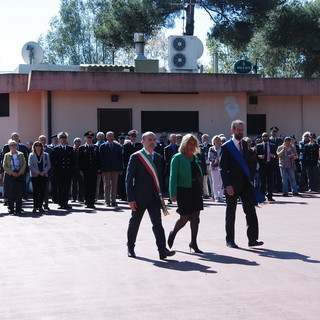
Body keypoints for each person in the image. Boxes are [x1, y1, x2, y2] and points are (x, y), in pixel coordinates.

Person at [126, 131, 175, 260]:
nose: (152, 142)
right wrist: (130, 199)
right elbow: (129, 179)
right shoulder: (136, 157)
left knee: (157, 224)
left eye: (154, 140)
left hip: (154, 197)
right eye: (149, 140)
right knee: (135, 223)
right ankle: (130, 246)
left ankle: (162, 249)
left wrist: (162, 195)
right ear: (143, 142)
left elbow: (159, 178)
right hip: (139, 197)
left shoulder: (158, 157)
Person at [220, 119, 264, 248]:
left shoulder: (245, 144)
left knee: (250, 211)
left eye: (242, 130)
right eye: (238, 130)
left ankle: (252, 239)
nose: (240, 132)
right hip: (232, 185)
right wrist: (227, 185)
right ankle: (230, 240)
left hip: (245, 184)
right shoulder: (226, 147)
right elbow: (223, 168)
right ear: (232, 130)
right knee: (231, 213)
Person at [167, 134, 204, 253]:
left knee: (196, 217)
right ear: (185, 144)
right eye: (190, 144)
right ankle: (173, 232)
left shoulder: (195, 157)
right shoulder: (177, 157)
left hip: (195, 189)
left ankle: (193, 242)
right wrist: (173, 193)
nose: (193, 146)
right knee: (185, 217)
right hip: (183, 189)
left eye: (194, 144)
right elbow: (173, 176)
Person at [51, 131, 76, 210]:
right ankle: (60, 203)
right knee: (60, 188)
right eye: (62, 138)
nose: (63, 139)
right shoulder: (55, 149)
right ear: (59, 139)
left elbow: (73, 161)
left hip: (68, 171)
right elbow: (53, 161)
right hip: (59, 172)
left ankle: (66, 203)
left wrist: (72, 171)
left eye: (65, 138)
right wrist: (54, 171)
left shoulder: (70, 149)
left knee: (67, 188)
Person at [2, 139, 26, 214]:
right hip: (10, 175)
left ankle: (18, 209)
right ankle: (11, 209)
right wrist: (12, 173)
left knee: (19, 193)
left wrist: (20, 172)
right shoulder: (7, 155)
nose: (13, 146)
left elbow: (24, 164)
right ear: (9, 147)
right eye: (12, 145)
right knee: (10, 193)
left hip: (19, 175)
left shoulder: (21, 154)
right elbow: (4, 166)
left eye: (15, 145)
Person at [100, 131, 123, 207]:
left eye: (112, 136)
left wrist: (120, 169)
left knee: (114, 185)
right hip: (106, 169)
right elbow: (101, 159)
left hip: (115, 168)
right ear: (106, 137)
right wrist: (101, 169)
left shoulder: (118, 146)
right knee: (107, 185)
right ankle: (107, 201)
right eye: (109, 136)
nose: (111, 137)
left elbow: (120, 158)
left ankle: (113, 201)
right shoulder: (103, 146)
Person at [78, 131, 101, 209]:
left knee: (93, 186)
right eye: (88, 138)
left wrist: (99, 169)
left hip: (94, 170)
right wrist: (80, 170)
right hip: (85, 171)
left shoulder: (96, 147)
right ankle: (87, 202)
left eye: (91, 138)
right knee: (86, 186)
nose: (89, 139)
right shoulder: (82, 148)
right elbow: (79, 160)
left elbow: (99, 159)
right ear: (85, 138)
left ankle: (92, 202)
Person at [28, 141, 51, 213]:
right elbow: (30, 165)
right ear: (34, 147)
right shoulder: (31, 155)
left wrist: (44, 171)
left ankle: (40, 206)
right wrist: (38, 173)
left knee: (42, 191)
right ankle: (35, 207)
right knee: (35, 191)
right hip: (35, 176)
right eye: (36, 145)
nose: (38, 147)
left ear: (41, 147)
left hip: (44, 175)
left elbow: (49, 165)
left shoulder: (45, 155)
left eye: (39, 145)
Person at [256, 132, 277, 201]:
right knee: (262, 181)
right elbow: (256, 155)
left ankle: (270, 196)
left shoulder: (272, 145)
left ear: (268, 137)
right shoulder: (259, 146)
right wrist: (259, 156)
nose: (265, 137)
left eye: (266, 136)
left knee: (270, 181)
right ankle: (262, 196)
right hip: (262, 165)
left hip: (270, 165)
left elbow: (276, 155)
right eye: (263, 136)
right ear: (262, 138)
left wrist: (273, 156)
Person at [208, 135, 224, 202]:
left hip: (222, 167)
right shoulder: (211, 148)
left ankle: (221, 196)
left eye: (219, 140)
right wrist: (216, 161)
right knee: (215, 182)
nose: (217, 141)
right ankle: (216, 196)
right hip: (214, 167)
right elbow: (210, 158)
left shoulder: (223, 148)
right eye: (216, 140)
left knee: (221, 182)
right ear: (214, 141)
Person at [200, 134, 213, 199]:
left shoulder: (211, 146)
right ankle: (206, 194)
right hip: (203, 165)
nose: (205, 139)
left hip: (210, 165)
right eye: (204, 138)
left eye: (206, 138)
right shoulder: (200, 146)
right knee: (204, 180)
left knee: (211, 179)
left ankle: (213, 194)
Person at [71, 137, 84, 203]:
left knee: (81, 183)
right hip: (74, 169)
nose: (78, 142)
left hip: (80, 169)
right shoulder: (72, 149)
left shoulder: (82, 149)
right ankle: (74, 197)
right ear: (74, 142)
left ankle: (80, 197)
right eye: (76, 141)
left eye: (79, 141)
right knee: (74, 184)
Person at [95, 131, 105, 201]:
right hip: (97, 167)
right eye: (99, 136)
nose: (101, 137)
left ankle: (106, 197)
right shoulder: (95, 145)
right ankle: (96, 197)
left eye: (102, 136)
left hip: (105, 167)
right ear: (97, 137)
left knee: (106, 184)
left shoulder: (106, 145)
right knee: (97, 184)